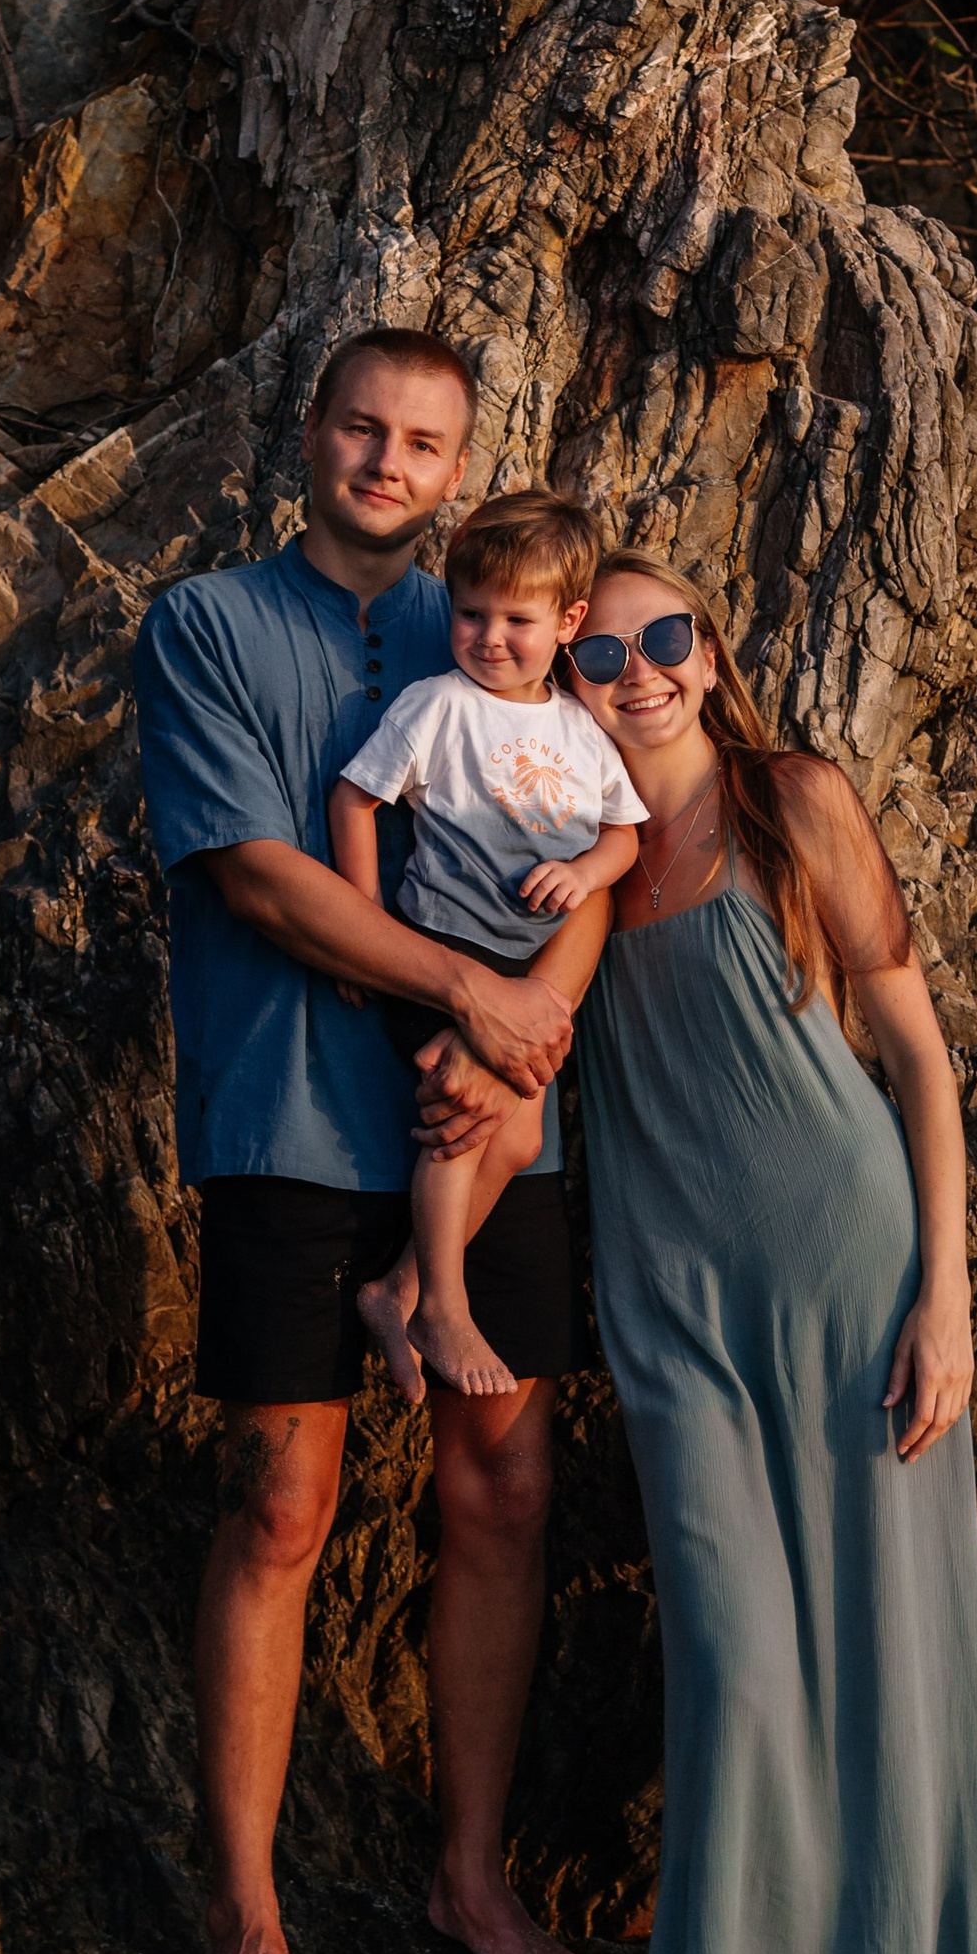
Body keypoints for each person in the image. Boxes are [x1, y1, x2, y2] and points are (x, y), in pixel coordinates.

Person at [133, 329, 601, 1954]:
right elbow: (262, 878)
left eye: (421, 440)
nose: (386, 462)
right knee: (280, 1504)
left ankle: (467, 1882)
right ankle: (242, 1919)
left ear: (455, 465)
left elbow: (615, 829)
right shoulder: (206, 627)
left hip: (494, 1127)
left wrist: (529, 1017)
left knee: (503, 1489)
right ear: (307, 433)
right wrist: (465, 990)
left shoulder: (495, 623)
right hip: (291, 1121)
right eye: (359, 427)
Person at [565, 550, 977, 1954]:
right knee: (734, 1640)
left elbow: (915, 1054)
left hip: (852, 1271)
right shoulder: (576, 860)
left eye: (670, 636)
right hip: (676, 1302)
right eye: (604, 649)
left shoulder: (790, 802)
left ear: (711, 647)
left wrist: (944, 1293)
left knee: (899, 1645)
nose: (643, 672)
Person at [332, 489, 644, 1405]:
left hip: (526, 969)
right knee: (459, 1139)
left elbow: (623, 834)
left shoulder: (582, 731)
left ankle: (400, 1286)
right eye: (471, 614)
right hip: (443, 948)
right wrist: (363, 928)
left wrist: (587, 873)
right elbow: (357, 798)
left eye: (518, 619)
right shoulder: (437, 706)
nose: (490, 637)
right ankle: (444, 1308)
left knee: (510, 1137)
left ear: (568, 622)